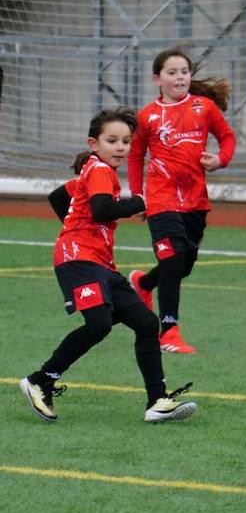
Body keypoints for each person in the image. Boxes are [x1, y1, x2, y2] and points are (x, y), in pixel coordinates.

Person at [20, 107, 197, 424]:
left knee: (145, 322)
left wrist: (77, 225)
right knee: (100, 324)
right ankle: (40, 380)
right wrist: (139, 203)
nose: (121, 147)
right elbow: (102, 209)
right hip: (79, 258)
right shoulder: (99, 171)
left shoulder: (91, 170)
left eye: (126, 141)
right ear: (94, 143)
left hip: (98, 261)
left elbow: (58, 198)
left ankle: (157, 400)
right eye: (112, 140)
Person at [127, 47, 237, 355]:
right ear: (157, 79)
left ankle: (144, 284)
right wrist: (138, 196)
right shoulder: (147, 115)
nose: (179, 77)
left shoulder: (204, 107)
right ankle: (168, 331)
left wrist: (220, 159)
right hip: (161, 200)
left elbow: (227, 138)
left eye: (184, 72)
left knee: (184, 263)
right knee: (173, 260)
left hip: (195, 201)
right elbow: (136, 156)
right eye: (172, 72)